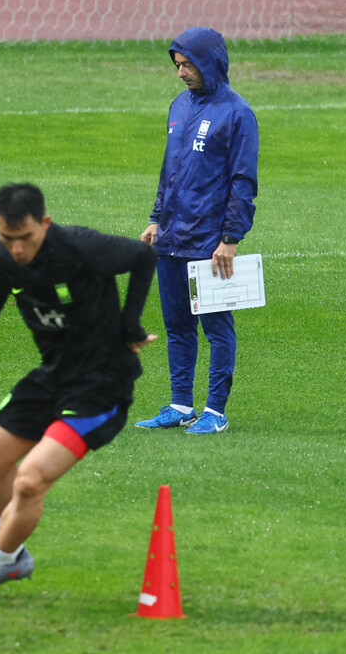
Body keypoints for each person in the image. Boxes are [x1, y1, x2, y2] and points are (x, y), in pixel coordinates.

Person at [0, 183, 157, 610]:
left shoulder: (81, 247)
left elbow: (143, 256)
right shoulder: (1, 255)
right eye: (8, 238)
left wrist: (130, 325)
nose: (16, 249)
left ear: (45, 223)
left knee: (30, 479)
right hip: (54, 374)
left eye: (25, 238)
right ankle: (12, 555)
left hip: (102, 385)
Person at [135, 26, 258, 434]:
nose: (181, 73)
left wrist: (230, 239)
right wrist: (156, 218)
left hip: (209, 242)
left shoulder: (238, 114)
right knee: (177, 327)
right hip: (171, 237)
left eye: (188, 65)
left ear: (210, 63)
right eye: (177, 65)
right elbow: (169, 170)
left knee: (217, 330)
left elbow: (243, 182)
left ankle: (216, 411)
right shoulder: (178, 106)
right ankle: (180, 405)